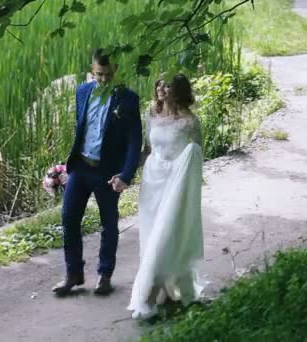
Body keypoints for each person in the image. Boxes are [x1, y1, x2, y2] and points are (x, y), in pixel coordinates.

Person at [52, 48, 142, 296]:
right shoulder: (82, 92)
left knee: (109, 224)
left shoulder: (127, 99)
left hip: (108, 172)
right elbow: (81, 130)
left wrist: (126, 175)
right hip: (80, 167)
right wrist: (62, 168)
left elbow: (135, 141)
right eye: (99, 74)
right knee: (69, 219)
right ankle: (73, 273)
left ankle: (104, 275)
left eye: (108, 74)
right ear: (93, 70)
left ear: (116, 71)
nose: (103, 79)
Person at [128, 74, 204, 319]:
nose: (161, 88)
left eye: (168, 85)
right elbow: (148, 150)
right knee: (152, 235)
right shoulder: (151, 115)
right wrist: (124, 173)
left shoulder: (190, 122)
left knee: (168, 233)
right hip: (152, 182)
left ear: (179, 91)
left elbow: (197, 156)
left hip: (176, 184)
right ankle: (181, 289)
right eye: (159, 84)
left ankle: (148, 297)